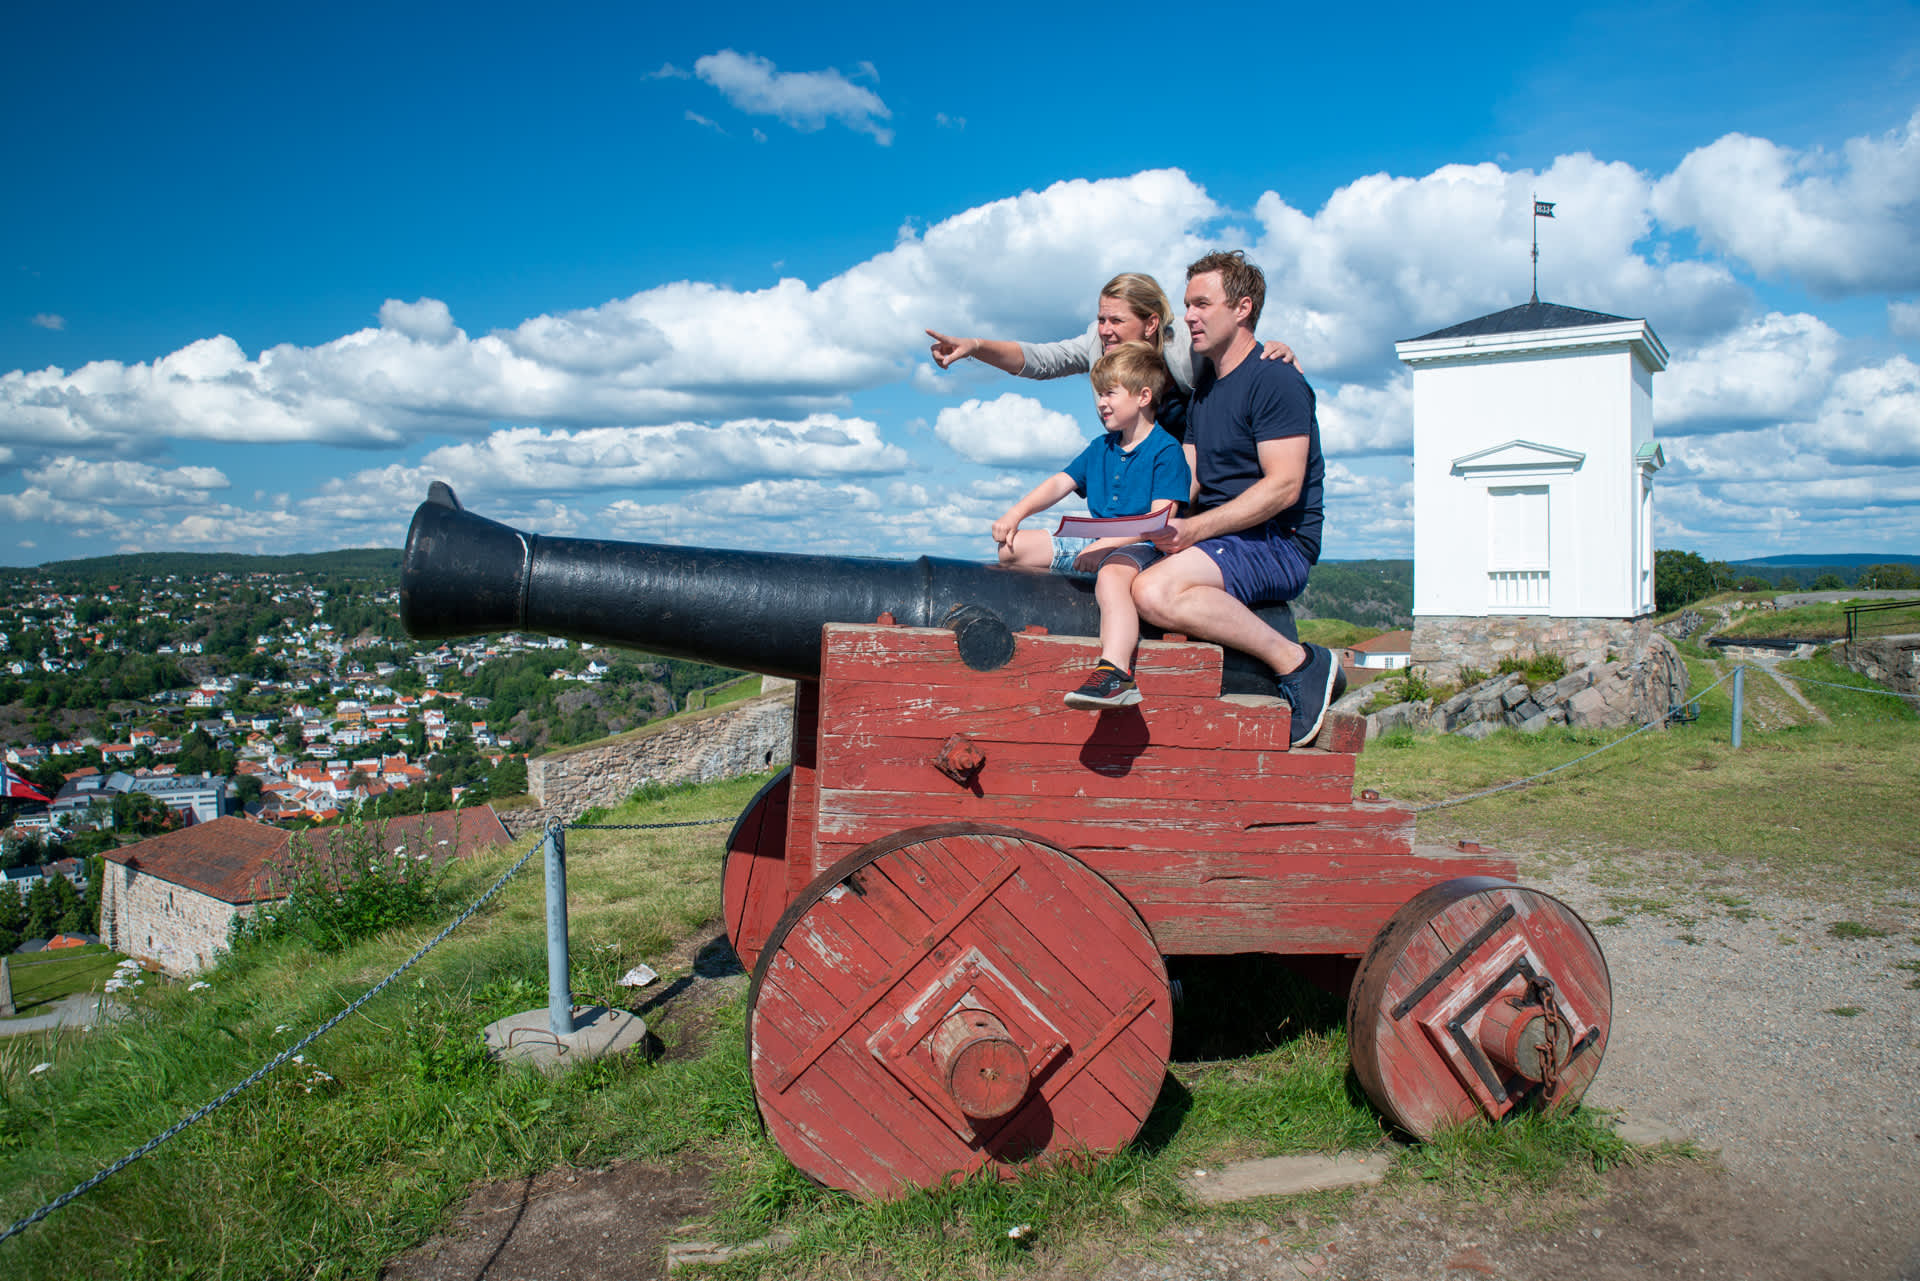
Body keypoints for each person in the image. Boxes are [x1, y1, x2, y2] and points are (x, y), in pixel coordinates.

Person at [1134, 250, 1345, 747]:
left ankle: (1300, 663)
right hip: (1227, 536)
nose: (1188, 317)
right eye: (1187, 305)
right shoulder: (1206, 386)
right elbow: (1188, 478)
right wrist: (1132, 523)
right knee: (1115, 564)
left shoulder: (1275, 379)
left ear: (1243, 307)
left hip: (1278, 542)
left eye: (1202, 304)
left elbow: (1284, 485)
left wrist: (1195, 530)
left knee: (1154, 592)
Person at [990, 342, 1191, 710]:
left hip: (1143, 546)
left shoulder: (1166, 450)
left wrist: (1104, 545)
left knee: (1113, 575)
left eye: (1110, 393)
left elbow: (1158, 520)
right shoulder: (1101, 447)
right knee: (1011, 551)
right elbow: (1059, 483)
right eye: (1098, 394)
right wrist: (1016, 514)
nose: (1101, 403)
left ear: (1144, 395)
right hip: (1096, 540)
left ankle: (1115, 673)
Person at [925, 272, 1297, 441]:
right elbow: (1041, 360)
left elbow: (1234, 347)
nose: (1105, 330)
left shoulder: (1183, 341)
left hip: (1195, 463)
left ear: (1151, 323)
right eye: (1101, 318)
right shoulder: (1096, 344)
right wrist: (975, 346)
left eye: (1116, 320)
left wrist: (1275, 351)